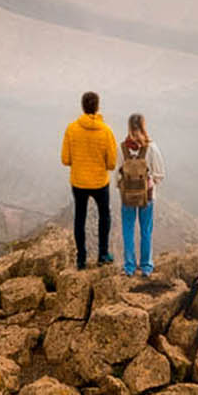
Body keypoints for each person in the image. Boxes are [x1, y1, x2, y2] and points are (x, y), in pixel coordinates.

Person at [60, 90, 120, 269]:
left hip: (78, 182)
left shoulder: (71, 129)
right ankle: (102, 254)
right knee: (104, 216)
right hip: (100, 183)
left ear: (82, 106)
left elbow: (65, 159)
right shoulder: (107, 132)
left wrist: (79, 162)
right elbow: (111, 163)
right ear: (97, 107)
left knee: (80, 218)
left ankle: (81, 259)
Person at [116, 113, 158, 273]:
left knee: (128, 230)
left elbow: (116, 175)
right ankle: (146, 266)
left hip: (127, 197)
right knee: (146, 230)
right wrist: (149, 183)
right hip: (147, 197)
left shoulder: (122, 148)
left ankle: (129, 267)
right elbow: (160, 173)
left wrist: (125, 186)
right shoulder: (151, 148)